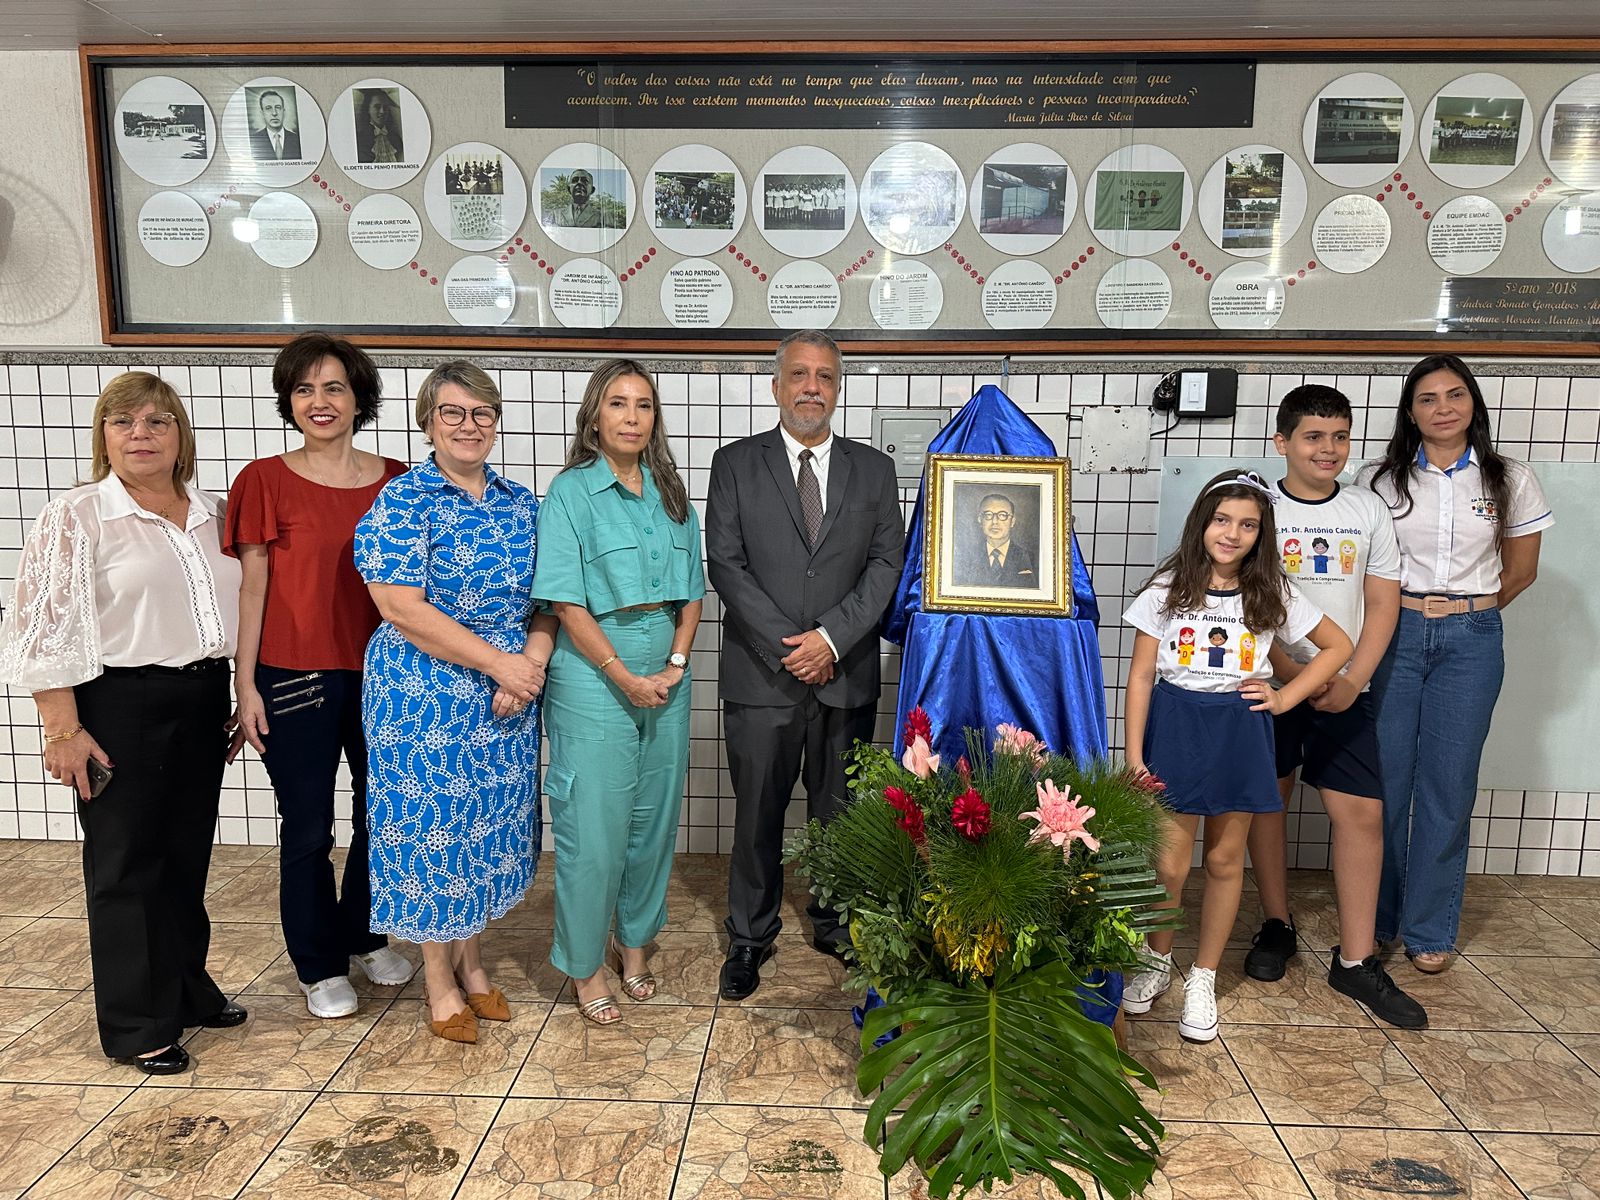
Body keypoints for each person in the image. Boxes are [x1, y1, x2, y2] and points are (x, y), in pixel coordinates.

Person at [0, 372, 247, 1075]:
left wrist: (232, 693)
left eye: (157, 421)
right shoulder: (77, 516)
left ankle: (186, 987)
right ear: (103, 435)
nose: (140, 434)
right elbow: (42, 628)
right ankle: (138, 1023)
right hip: (117, 705)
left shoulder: (214, 511)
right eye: (123, 421)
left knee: (185, 856)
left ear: (180, 435)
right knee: (124, 864)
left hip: (201, 699)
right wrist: (62, 728)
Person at [355, 362, 557, 1044]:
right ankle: (438, 982)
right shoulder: (404, 500)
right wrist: (499, 661)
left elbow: (550, 600)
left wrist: (527, 665)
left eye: (482, 413)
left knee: (484, 831)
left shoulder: (522, 503)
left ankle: (473, 965)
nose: (469, 426)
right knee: (434, 831)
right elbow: (400, 607)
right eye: (453, 413)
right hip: (423, 696)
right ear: (427, 421)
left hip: (506, 696)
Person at [706, 329, 906, 1001]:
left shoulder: (875, 471)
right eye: (798, 375)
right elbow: (725, 567)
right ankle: (749, 935)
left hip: (844, 673)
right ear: (776, 386)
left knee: (839, 812)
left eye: (823, 375)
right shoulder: (734, 465)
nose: (811, 387)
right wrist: (796, 648)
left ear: (838, 387)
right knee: (757, 814)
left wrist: (831, 639)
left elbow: (886, 568)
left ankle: (834, 922)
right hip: (761, 676)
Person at [1121, 470, 1352, 1043]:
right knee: (1170, 864)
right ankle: (1155, 961)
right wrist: (1133, 753)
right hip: (1175, 725)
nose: (1233, 533)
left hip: (1239, 729)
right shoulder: (1166, 590)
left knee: (1226, 860)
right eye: (1223, 520)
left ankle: (1202, 975)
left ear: (1261, 533)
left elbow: (1339, 646)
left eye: (1248, 524)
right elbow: (1142, 676)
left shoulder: (1271, 591)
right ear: (1202, 522)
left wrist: (1284, 696)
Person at [226, 333, 414, 1020]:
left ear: (359, 397)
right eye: (304, 389)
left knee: (382, 815)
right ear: (289, 401)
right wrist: (244, 686)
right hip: (293, 677)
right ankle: (316, 962)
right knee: (307, 826)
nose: (319, 401)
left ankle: (364, 934)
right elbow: (252, 591)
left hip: (386, 674)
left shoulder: (399, 479)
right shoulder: (263, 481)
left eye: (333, 387)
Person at [1243, 385, 1426, 1030]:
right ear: (1282, 441)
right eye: (1314, 437)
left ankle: (1355, 960)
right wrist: (1294, 671)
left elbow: (1383, 603)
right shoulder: (1257, 509)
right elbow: (1241, 595)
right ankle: (1276, 924)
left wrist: (1353, 676)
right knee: (1269, 802)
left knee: (1363, 815)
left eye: (1340, 436)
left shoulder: (1366, 510)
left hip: (1347, 688)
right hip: (1268, 681)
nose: (1329, 449)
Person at [1362, 355, 1553, 974]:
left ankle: (1428, 930)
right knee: (1384, 785)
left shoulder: (1510, 478)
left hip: (1471, 639)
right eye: (1427, 398)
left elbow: (1520, 571)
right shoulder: (1379, 479)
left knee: (1447, 787)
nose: (1443, 408)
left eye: (1454, 394)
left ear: (1473, 402)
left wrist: (1471, 609)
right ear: (1409, 411)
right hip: (1394, 632)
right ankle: (1379, 919)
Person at [531, 360, 704, 1025]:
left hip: (667, 668)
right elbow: (566, 602)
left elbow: (692, 591)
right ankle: (583, 964)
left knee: (652, 822)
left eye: (644, 405)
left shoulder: (671, 492)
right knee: (594, 829)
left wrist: (677, 663)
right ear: (594, 417)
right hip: (592, 672)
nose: (632, 417)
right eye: (618, 404)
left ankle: (633, 946)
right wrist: (624, 676)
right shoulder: (571, 493)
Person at [956, 491, 1036, 587]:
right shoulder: (964, 558)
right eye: (988, 515)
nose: (995, 521)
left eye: (1002, 515)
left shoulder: (1030, 558)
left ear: (1012, 522)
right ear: (980, 520)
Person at [249, 88, 301, 161]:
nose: (274, 113)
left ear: (283, 111)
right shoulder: (253, 140)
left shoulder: (297, 139)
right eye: (268, 108)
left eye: (278, 107)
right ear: (262, 113)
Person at [353, 88, 402, 164]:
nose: (382, 111)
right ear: (368, 109)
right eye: (377, 107)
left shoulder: (396, 138)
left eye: (385, 107)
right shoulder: (360, 140)